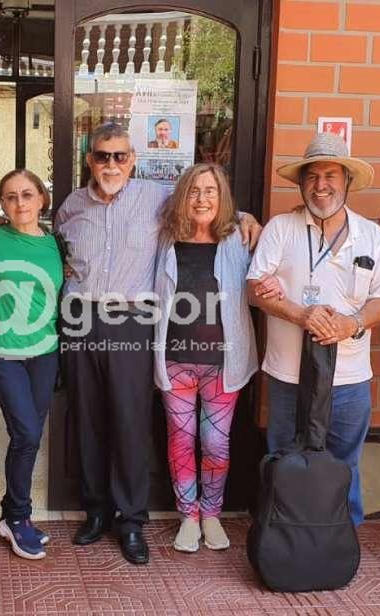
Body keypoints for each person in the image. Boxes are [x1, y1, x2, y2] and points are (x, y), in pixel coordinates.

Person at [55, 122, 261, 565]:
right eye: (102, 156)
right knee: (86, 418)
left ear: (133, 160)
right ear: (90, 160)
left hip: (133, 320)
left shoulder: (155, 198)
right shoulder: (71, 205)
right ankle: (96, 511)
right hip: (81, 319)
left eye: (120, 156)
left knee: (130, 421)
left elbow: (204, 205)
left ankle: (130, 519)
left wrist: (245, 218)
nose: (111, 164)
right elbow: (59, 251)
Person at [247, 132, 380, 527]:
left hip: (349, 378)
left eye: (330, 175)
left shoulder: (372, 236)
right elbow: (254, 289)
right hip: (288, 376)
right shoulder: (281, 228)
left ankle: (340, 541)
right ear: (301, 183)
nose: (321, 185)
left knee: (344, 465)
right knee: (284, 460)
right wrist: (301, 315)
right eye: (312, 176)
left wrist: (351, 323)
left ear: (347, 180)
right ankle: (282, 538)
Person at [151, 163, 257, 553]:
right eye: (194, 191)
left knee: (216, 443)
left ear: (222, 197)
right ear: (182, 196)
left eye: (210, 191)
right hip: (175, 360)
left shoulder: (239, 238)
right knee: (181, 439)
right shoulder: (165, 237)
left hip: (223, 364)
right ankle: (189, 516)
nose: (201, 199)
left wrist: (248, 217)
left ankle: (211, 513)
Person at [0, 169, 64, 560]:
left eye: (27, 194)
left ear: (42, 198)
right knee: (26, 432)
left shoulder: (56, 243)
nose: (19, 203)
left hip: (44, 349)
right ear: (2, 203)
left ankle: (11, 515)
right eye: (9, 197)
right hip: (0, 349)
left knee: (29, 435)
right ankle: (17, 517)